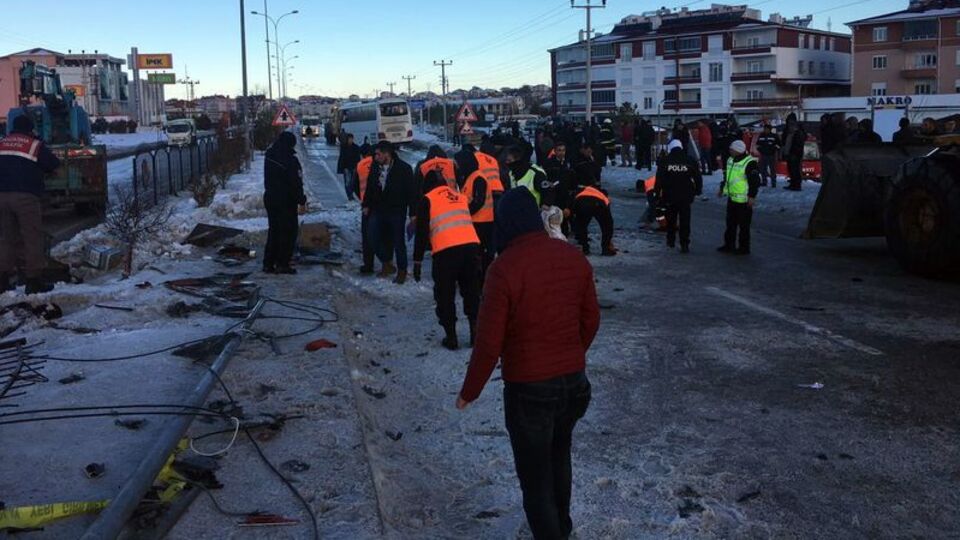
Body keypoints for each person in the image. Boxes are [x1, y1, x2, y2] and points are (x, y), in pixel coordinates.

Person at [456, 187, 599, 540]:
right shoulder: (572, 257)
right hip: (573, 384)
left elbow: (489, 343)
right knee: (559, 455)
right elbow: (591, 319)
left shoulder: (503, 269)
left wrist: (469, 392)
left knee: (535, 477)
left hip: (530, 390)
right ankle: (562, 527)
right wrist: (571, 353)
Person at [412, 171, 481, 350]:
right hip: (471, 247)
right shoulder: (460, 197)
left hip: (446, 252)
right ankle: (475, 331)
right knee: (471, 291)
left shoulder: (427, 200)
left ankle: (451, 336)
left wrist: (417, 261)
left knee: (445, 294)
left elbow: (421, 233)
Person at [0, 115, 61, 293]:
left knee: (6, 238)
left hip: (1, 197)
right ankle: (33, 281)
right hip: (26, 197)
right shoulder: (34, 145)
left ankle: (3, 280)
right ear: (30, 129)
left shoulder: (2, 143)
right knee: (32, 237)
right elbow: (54, 165)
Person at [363, 141, 416, 284]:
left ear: (387, 154)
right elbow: (369, 186)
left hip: (396, 210)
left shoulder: (404, 169)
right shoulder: (375, 167)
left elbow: (411, 192)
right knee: (372, 236)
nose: (375, 157)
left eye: (378, 154)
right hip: (378, 208)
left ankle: (402, 270)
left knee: (398, 241)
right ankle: (386, 262)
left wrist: (413, 213)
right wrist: (366, 204)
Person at [263, 131, 306, 274]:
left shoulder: (270, 156)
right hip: (286, 201)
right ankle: (282, 263)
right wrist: (301, 200)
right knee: (288, 232)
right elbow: (296, 183)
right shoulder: (291, 160)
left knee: (274, 230)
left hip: (270, 198)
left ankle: (268, 263)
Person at [457, 149, 503, 283]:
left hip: (482, 222)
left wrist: (466, 213)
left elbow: (479, 201)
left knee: (482, 254)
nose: (458, 167)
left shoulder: (478, 178)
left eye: (459, 163)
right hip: (475, 222)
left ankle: (483, 280)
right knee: (476, 254)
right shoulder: (470, 177)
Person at [655, 139, 702, 253]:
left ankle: (670, 240)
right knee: (685, 220)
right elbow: (697, 177)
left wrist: (657, 193)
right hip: (686, 195)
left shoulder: (665, 161)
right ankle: (684, 243)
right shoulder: (689, 160)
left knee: (671, 219)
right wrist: (698, 190)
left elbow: (659, 179)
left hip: (669, 195)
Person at [718, 140, 760, 255]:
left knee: (744, 226)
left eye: (732, 149)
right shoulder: (730, 160)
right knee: (730, 224)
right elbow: (727, 177)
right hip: (732, 198)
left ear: (737, 150)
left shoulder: (749, 163)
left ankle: (744, 248)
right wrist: (722, 188)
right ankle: (729, 245)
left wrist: (752, 196)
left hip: (744, 200)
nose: (730, 150)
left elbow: (754, 181)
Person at [356, 146, 393, 274]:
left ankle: (368, 264)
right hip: (382, 205)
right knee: (386, 235)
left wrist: (363, 199)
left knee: (367, 236)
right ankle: (387, 262)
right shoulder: (384, 164)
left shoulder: (361, 165)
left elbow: (354, 185)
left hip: (367, 205)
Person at [572, 184, 616, 256]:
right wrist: (608, 241)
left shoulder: (580, 191)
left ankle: (584, 248)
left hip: (582, 203)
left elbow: (573, 205)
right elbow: (608, 222)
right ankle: (606, 249)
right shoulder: (603, 194)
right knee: (607, 226)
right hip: (599, 204)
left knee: (581, 225)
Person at [781, 115, 806, 191]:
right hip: (789, 152)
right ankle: (793, 184)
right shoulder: (788, 130)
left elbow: (799, 142)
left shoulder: (798, 132)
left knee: (795, 169)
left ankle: (796, 185)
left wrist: (795, 152)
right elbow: (784, 140)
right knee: (791, 169)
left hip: (795, 153)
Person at [336, 133, 361, 201]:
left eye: (351, 139)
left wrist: (358, 166)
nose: (350, 140)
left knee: (353, 182)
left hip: (354, 167)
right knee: (347, 182)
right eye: (349, 139)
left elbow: (358, 158)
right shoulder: (344, 147)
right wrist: (341, 167)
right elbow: (342, 157)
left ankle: (351, 193)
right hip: (346, 167)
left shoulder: (356, 147)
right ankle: (350, 196)